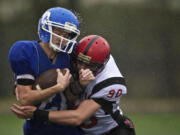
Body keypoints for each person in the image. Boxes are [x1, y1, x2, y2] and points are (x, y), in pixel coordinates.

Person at [11, 35, 136, 135]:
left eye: (88, 65)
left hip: (111, 130)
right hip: (79, 131)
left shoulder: (110, 82)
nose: (81, 68)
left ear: (101, 65)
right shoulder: (73, 56)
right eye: (79, 62)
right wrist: (25, 85)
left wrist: (36, 113)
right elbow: (69, 93)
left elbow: (78, 117)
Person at [8, 7, 84, 135]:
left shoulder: (72, 54)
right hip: (37, 128)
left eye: (66, 35)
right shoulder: (25, 51)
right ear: (45, 28)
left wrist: (81, 84)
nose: (62, 38)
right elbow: (25, 99)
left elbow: (72, 96)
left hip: (68, 126)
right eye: (58, 32)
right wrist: (57, 88)